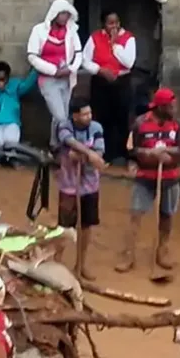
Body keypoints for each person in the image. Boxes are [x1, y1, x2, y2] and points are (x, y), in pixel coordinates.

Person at [116, 88, 180, 273]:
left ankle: (162, 250)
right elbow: (131, 149)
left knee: (167, 215)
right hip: (145, 177)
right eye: (171, 106)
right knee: (136, 215)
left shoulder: (177, 124)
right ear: (161, 107)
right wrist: (150, 153)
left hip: (170, 178)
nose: (174, 109)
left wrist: (167, 153)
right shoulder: (140, 123)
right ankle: (128, 254)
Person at [56, 99, 107, 280]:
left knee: (86, 226)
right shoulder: (64, 126)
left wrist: (84, 156)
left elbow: (99, 152)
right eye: (84, 114)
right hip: (69, 185)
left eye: (89, 113)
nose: (88, 117)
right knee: (64, 227)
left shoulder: (96, 127)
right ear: (75, 116)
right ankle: (56, 264)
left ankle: (81, 265)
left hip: (90, 185)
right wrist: (89, 154)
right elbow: (68, 142)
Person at [26, 0, 83, 150]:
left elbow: (78, 53)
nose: (65, 17)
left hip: (66, 78)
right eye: (62, 13)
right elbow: (32, 56)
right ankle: (65, 145)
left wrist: (71, 68)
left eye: (67, 14)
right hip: (48, 79)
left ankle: (55, 144)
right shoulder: (39, 30)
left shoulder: (71, 31)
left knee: (62, 114)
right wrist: (53, 71)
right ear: (54, 14)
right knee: (60, 116)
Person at [82, 12, 137, 165]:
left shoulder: (128, 38)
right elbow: (85, 60)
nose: (114, 26)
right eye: (110, 23)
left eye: (116, 22)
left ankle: (121, 153)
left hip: (121, 82)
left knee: (121, 117)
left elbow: (129, 62)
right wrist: (100, 70)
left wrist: (114, 45)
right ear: (103, 24)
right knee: (102, 117)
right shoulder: (95, 38)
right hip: (101, 83)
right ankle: (103, 152)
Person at [0, 61, 37, 150]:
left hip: (12, 122)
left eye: (3, 79)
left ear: (8, 77)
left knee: (11, 142)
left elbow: (27, 85)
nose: (0, 82)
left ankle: (10, 157)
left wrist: (36, 70)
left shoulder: (14, 84)